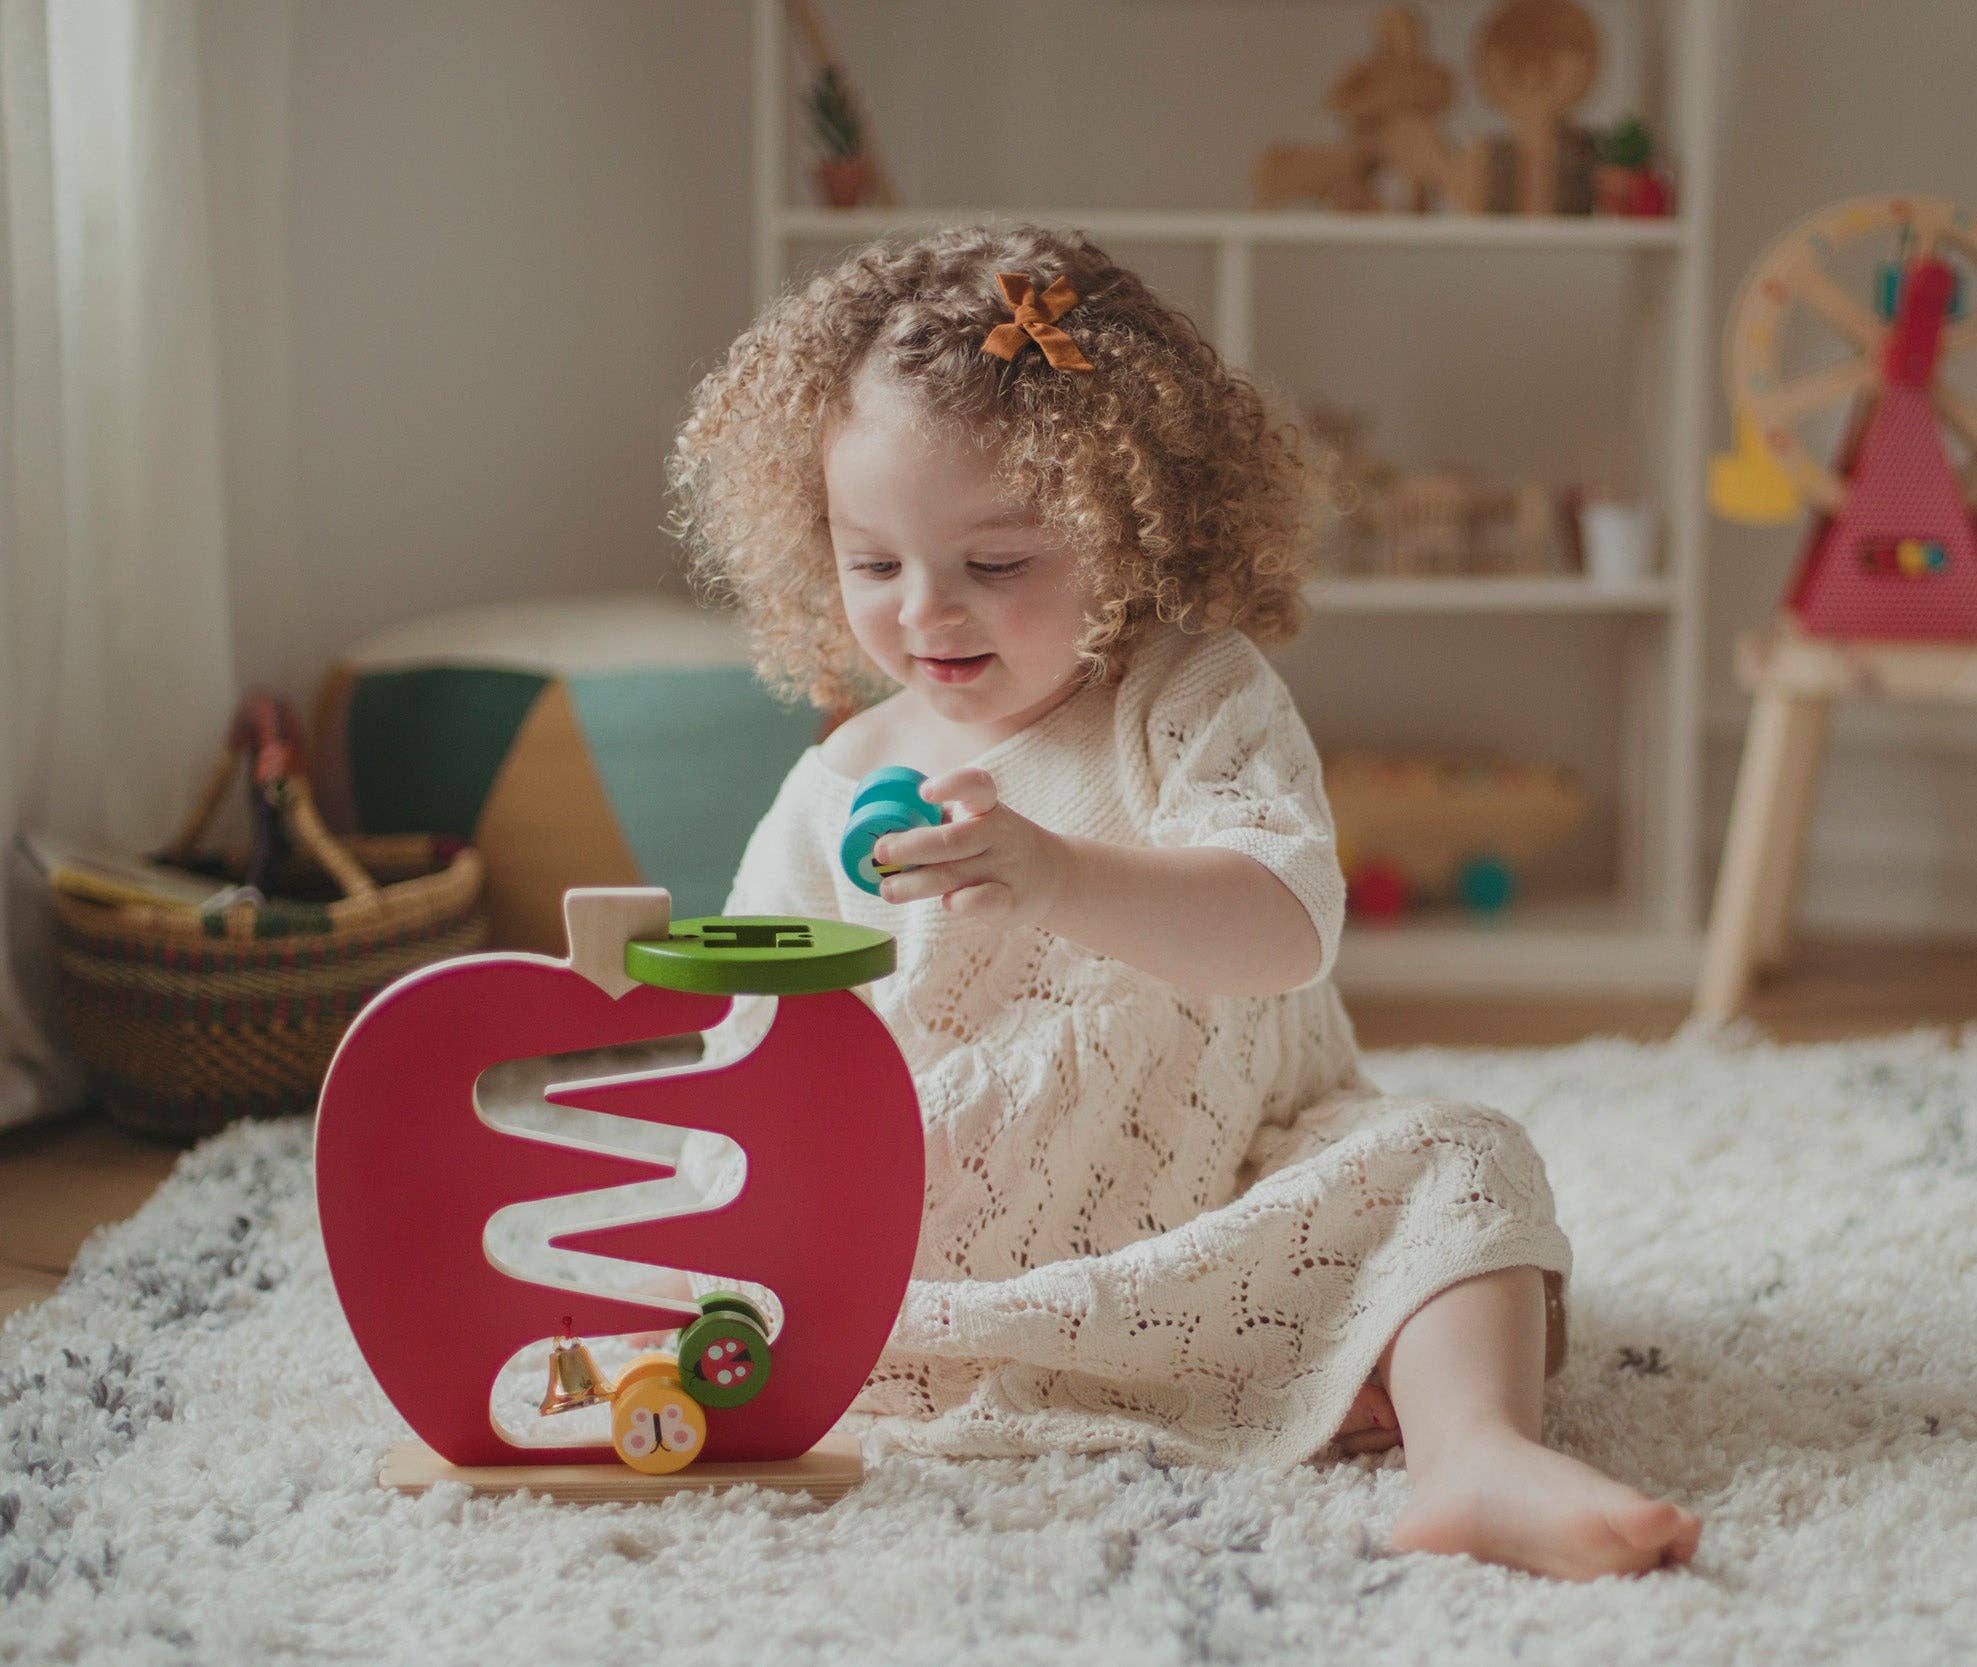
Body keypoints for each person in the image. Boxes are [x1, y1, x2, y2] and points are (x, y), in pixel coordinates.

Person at [664, 224, 1700, 1579]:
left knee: (1462, 1159)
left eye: (998, 562)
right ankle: (1301, 1374)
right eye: (874, 564)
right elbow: (756, 1034)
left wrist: (1058, 873)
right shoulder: (839, 779)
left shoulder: (1185, 696)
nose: (928, 611)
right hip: (951, 1244)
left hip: (1220, 1195)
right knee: (695, 1218)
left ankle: (1474, 1454)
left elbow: (1282, 926)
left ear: (1127, 527)